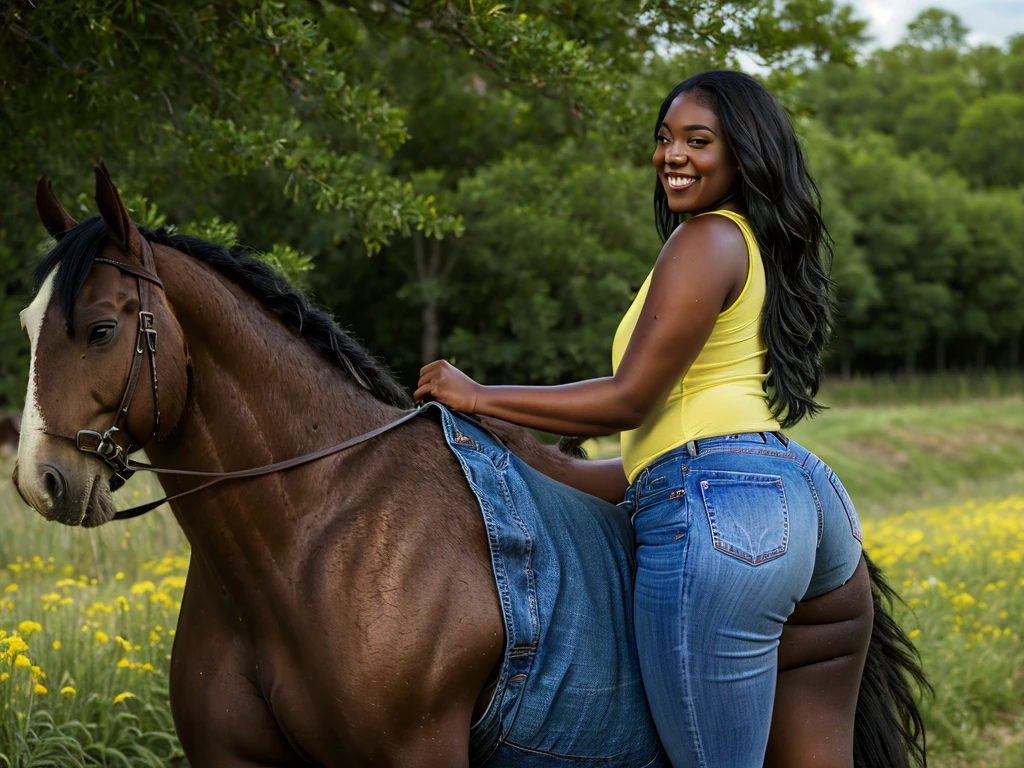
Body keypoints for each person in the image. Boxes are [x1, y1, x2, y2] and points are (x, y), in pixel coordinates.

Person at [415, 70, 871, 768]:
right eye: (664, 138)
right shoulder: (750, 242)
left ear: (742, 154)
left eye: (698, 140)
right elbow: (656, 461)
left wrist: (478, 395)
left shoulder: (706, 239)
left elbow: (631, 402)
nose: (672, 155)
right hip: (801, 501)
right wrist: (540, 457)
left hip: (727, 514)